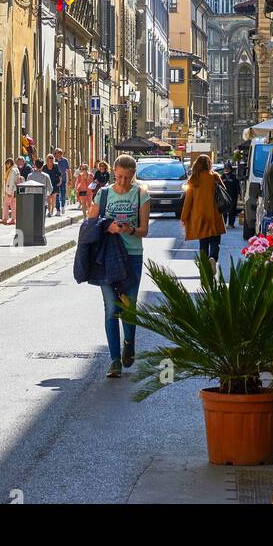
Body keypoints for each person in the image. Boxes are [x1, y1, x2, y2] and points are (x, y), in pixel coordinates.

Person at [87, 154, 150, 378]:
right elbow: (90, 223)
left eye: (127, 177)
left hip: (132, 255)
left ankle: (129, 342)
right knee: (112, 308)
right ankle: (114, 361)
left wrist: (128, 229)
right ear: (114, 172)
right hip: (108, 256)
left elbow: (144, 230)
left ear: (133, 175)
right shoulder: (104, 195)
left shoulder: (141, 194)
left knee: (128, 306)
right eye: (119, 176)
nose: (122, 181)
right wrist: (107, 226)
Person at [181, 153, 226, 272]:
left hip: (199, 216)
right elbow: (223, 192)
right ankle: (213, 258)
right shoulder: (214, 176)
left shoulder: (194, 179)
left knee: (203, 243)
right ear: (209, 164)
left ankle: (205, 267)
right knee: (215, 242)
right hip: (214, 214)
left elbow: (188, 201)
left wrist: (184, 217)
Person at [221, 162, 240, 228]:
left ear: (230, 169)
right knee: (224, 212)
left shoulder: (234, 177)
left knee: (232, 211)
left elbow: (237, 186)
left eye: (228, 168)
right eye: (225, 168)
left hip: (232, 196)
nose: (226, 170)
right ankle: (223, 224)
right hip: (224, 197)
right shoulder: (222, 177)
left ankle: (231, 224)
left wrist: (238, 194)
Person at [2, 158, 20, 226]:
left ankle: (5, 218)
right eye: (6, 163)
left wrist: (9, 192)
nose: (7, 165)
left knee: (6, 204)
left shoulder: (12, 170)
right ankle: (13, 219)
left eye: (8, 163)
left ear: (11, 163)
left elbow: (12, 181)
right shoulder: (16, 169)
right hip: (15, 190)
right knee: (13, 205)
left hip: (11, 190)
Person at [55, 147, 71, 212]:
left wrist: (70, 180)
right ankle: (58, 209)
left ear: (60, 153)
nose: (55, 154)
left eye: (56, 153)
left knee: (63, 194)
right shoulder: (53, 160)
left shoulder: (65, 160)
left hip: (63, 180)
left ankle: (63, 206)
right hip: (56, 180)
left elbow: (68, 170)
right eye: (55, 153)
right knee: (56, 194)